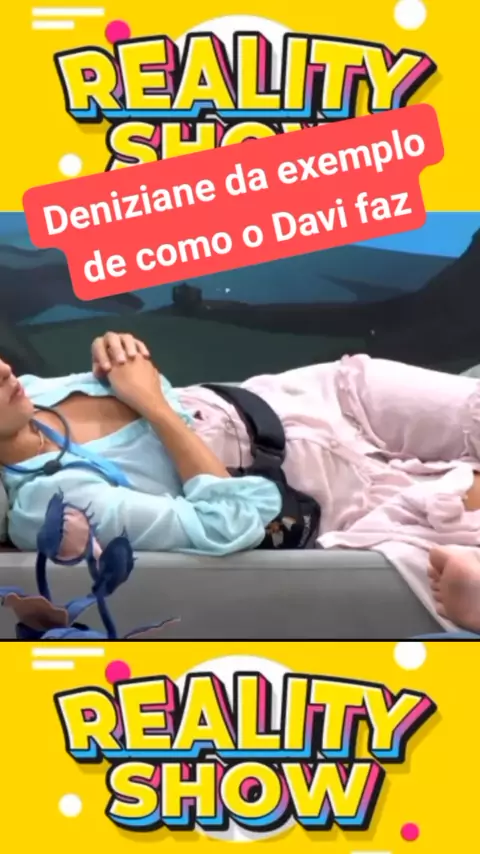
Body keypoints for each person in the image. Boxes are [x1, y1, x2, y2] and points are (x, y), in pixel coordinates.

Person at [0, 331, 480, 635]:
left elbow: (147, 380)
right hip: (316, 489)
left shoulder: (31, 391)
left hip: (316, 397)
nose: (4, 370)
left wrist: (119, 352)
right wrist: (154, 406)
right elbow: (230, 521)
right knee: (458, 511)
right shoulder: (50, 505)